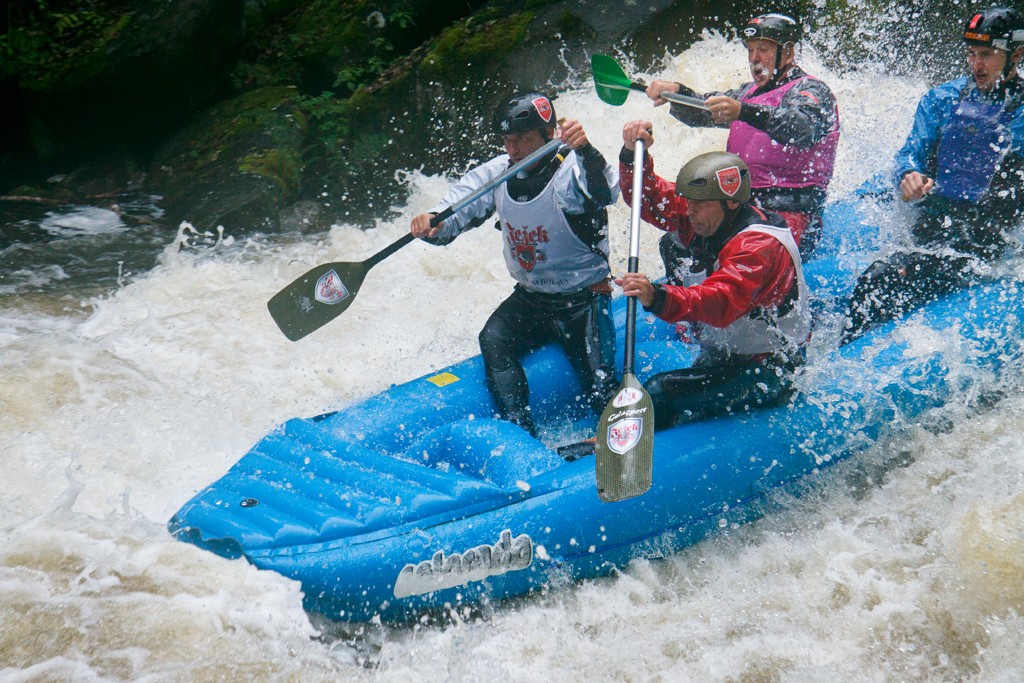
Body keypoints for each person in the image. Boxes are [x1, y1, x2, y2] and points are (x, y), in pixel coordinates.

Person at [410, 92, 620, 436]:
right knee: (493, 338)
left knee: (600, 383)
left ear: (548, 133)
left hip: (584, 302)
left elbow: (604, 192)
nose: (514, 149)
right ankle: (521, 431)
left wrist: (585, 149)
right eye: (508, 140)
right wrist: (432, 221)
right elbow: (457, 209)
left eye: (523, 139)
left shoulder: (570, 169)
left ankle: (614, 436)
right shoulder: (499, 172)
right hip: (532, 298)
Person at [843, 6, 1024, 343]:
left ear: (1017, 54)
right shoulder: (941, 99)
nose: (976, 65)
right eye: (971, 54)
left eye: (986, 54)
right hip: (931, 231)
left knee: (880, 279)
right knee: (876, 280)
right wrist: (908, 173)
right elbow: (910, 151)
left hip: (984, 243)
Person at [617, 124, 811, 428]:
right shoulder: (708, 212)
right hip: (722, 355)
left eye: (698, 205)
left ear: (731, 202)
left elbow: (721, 303)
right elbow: (649, 197)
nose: (689, 211)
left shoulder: (758, 245)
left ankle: (614, 450)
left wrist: (658, 297)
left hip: (769, 368)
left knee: (658, 391)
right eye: (688, 202)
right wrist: (631, 155)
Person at [645, 12, 840, 258]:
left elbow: (802, 128)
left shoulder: (811, 90)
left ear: (788, 53)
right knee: (676, 244)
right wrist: (676, 91)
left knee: (740, 252)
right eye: (750, 50)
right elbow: (703, 110)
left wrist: (742, 111)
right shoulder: (748, 92)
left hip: (792, 211)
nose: (754, 59)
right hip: (742, 207)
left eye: (764, 49)